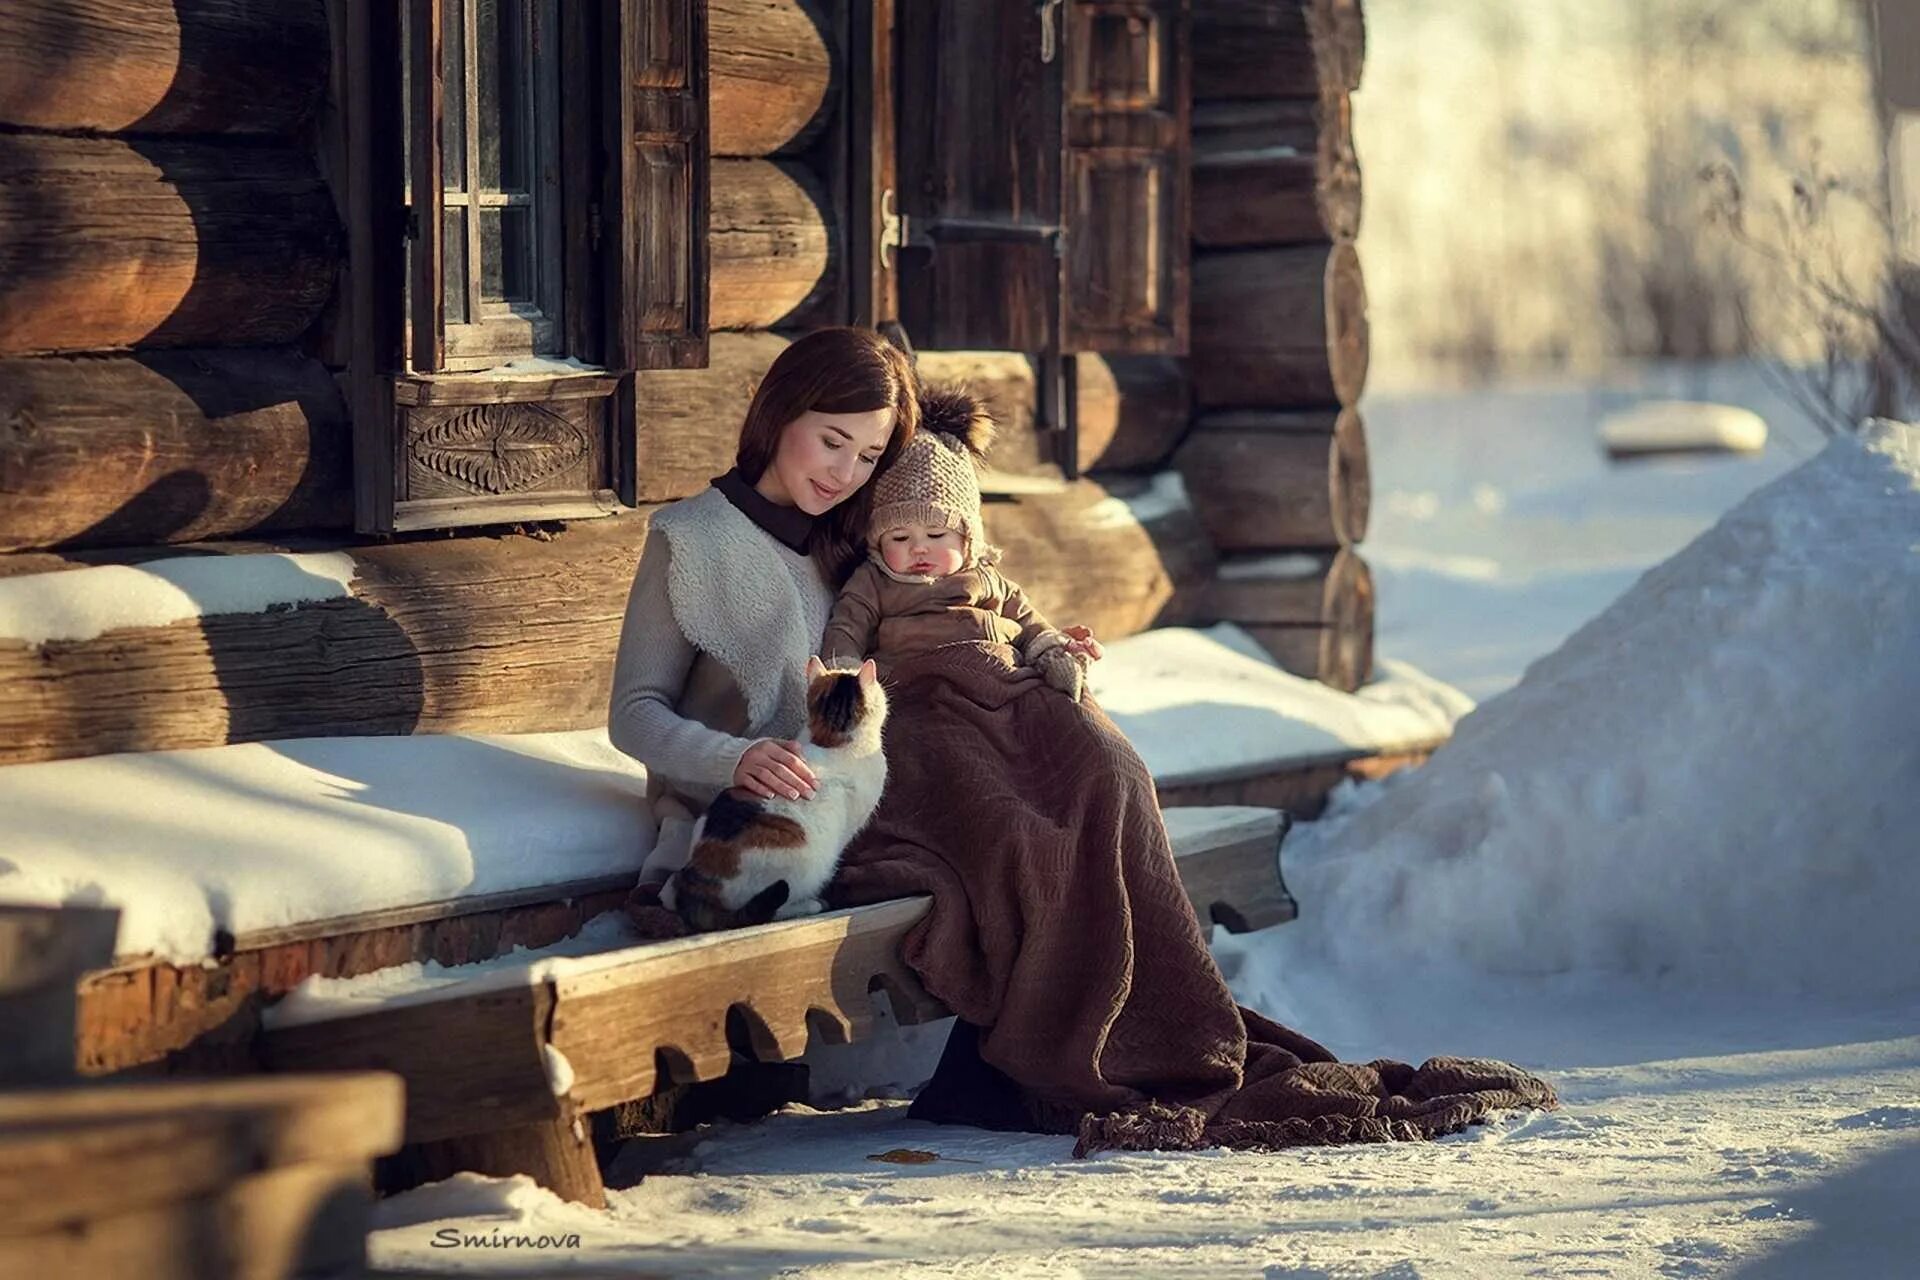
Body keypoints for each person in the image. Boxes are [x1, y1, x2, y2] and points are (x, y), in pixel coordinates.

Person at [606, 326, 918, 892]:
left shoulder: (855, 549)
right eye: (832, 442)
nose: (845, 475)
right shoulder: (690, 537)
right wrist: (734, 758)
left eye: (868, 456)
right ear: (782, 412)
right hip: (738, 833)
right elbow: (633, 712)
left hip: (847, 821)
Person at [818, 383, 1101, 696]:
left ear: (969, 540)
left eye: (937, 534)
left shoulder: (987, 578)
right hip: (916, 689)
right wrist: (844, 679)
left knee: (1072, 722)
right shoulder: (873, 582)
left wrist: (1053, 651)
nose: (919, 547)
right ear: (876, 543)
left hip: (1003, 683)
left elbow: (1030, 622)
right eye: (899, 537)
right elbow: (846, 628)